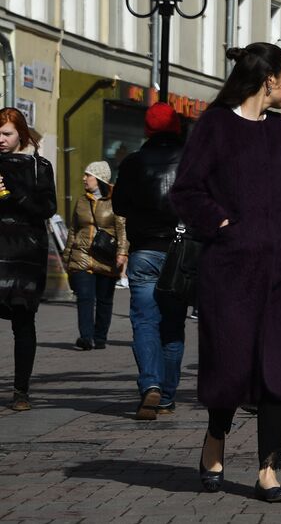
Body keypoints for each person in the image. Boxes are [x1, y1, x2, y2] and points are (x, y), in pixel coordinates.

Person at [170, 44, 281, 502]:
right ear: (268, 78)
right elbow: (186, 190)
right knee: (229, 364)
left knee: (279, 367)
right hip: (230, 269)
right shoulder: (215, 125)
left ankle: (269, 469)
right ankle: (215, 439)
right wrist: (223, 225)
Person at [112, 102, 188, 419]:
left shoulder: (132, 163)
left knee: (144, 323)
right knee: (172, 326)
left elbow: (118, 205)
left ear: (147, 129)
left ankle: (150, 385)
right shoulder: (190, 160)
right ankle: (167, 396)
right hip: (179, 254)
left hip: (144, 251)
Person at [0, 106, 57, 412]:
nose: (0, 139)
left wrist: (12, 193)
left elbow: (47, 207)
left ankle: (21, 390)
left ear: (20, 134)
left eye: (6, 133)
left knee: (23, 322)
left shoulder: (39, 166)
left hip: (24, 257)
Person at [63, 161, 127, 351]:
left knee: (105, 300)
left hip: (107, 256)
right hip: (82, 255)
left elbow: (122, 228)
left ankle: (100, 337)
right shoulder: (82, 200)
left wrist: (122, 252)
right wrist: (67, 255)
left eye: (88, 175)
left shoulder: (116, 200)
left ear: (99, 178)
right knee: (84, 296)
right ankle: (86, 337)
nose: (84, 178)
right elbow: (73, 229)